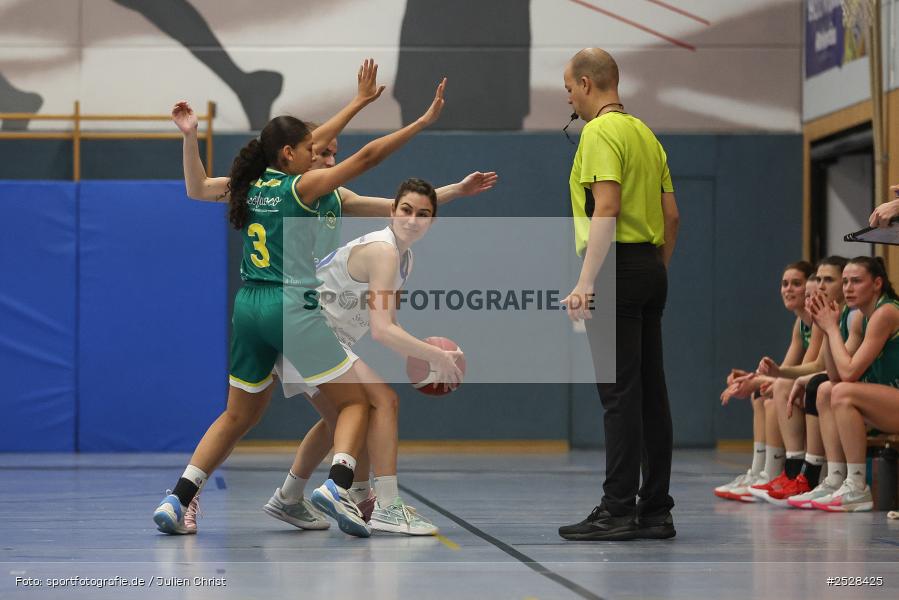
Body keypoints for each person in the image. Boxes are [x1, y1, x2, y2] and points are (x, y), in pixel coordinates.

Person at [153, 58, 447, 538]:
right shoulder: (303, 187)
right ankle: (339, 483)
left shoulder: (249, 186)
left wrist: (190, 137)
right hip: (291, 307)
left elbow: (195, 188)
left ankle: (178, 497)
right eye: (312, 147)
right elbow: (369, 157)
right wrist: (414, 120)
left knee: (237, 414)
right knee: (359, 404)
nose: (322, 150)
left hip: (248, 306)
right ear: (290, 154)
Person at [269, 178, 469, 536]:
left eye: (423, 214)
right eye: (405, 210)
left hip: (306, 333)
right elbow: (382, 331)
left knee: (340, 418)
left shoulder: (404, 258)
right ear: (391, 211)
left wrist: (456, 191)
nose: (412, 219)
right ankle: (387, 505)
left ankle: (290, 495)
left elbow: (388, 322)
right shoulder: (383, 251)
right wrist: (434, 355)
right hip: (309, 329)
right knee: (383, 401)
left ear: (432, 221)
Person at [557, 48, 680, 542]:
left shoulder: (599, 132)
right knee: (651, 392)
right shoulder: (646, 135)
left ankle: (617, 509)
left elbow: (605, 206)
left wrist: (589, 281)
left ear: (587, 84)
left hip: (615, 268)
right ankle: (655, 510)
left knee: (619, 396)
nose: (569, 98)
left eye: (569, 89)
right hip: (649, 266)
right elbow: (672, 217)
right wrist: (653, 270)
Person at [714, 261, 822, 502]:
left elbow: (807, 369)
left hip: (814, 390)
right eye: (785, 284)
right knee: (763, 392)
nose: (789, 289)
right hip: (804, 386)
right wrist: (753, 378)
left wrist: (762, 379)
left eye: (796, 283)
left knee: (773, 396)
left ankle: (777, 471)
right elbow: (782, 370)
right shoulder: (800, 324)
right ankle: (760, 471)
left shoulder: (818, 323)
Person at [809, 257, 899, 512]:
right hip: (890, 400)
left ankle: (857, 486)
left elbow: (848, 375)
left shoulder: (886, 313)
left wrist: (832, 329)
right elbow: (835, 376)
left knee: (843, 393)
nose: (848, 288)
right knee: (827, 390)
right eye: (845, 281)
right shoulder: (861, 317)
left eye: (856, 281)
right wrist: (829, 330)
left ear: (877, 283)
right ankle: (837, 478)